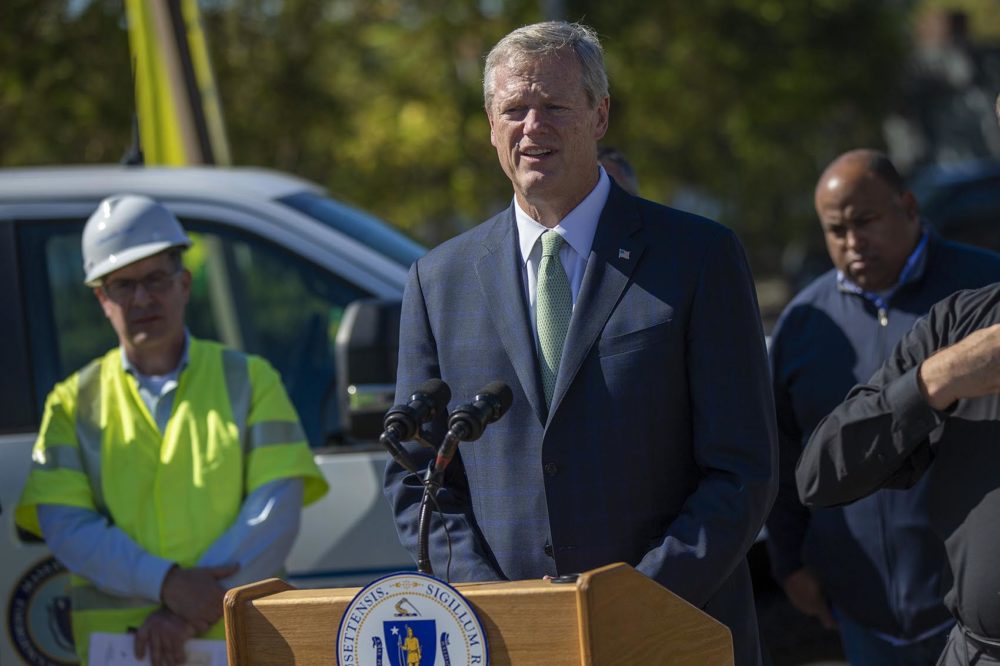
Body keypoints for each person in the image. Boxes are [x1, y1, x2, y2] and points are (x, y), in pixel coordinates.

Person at [383, 21, 777, 665]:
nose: (532, 126)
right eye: (514, 109)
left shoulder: (698, 257)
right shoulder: (438, 280)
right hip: (513, 641)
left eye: (555, 106)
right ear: (489, 123)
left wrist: (636, 603)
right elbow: (418, 480)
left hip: (671, 630)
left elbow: (742, 469)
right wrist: (495, 608)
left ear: (599, 115)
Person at [15, 195, 328, 666]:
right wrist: (167, 584)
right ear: (102, 299)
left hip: (240, 645)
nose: (141, 298)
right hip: (122, 651)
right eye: (122, 285)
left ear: (183, 283)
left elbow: (275, 512)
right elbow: (67, 528)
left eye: (155, 279)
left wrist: (186, 611)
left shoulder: (251, 379)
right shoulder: (71, 403)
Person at [767, 149, 1000, 664]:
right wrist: (790, 561)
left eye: (866, 221)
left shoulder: (977, 288)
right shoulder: (806, 321)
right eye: (836, 230)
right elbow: (790, 456)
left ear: (909, 206)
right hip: (864, 611)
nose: (853, 242)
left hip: (953, 605)